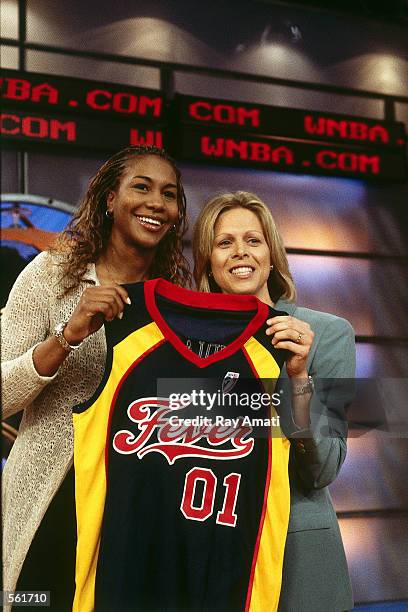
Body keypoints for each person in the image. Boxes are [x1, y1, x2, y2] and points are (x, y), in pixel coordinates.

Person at [1, 145, 190, 611]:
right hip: (53, 500)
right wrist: (68, 336)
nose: (155, 203)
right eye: (141, 187)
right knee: (33, 604)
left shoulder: (179, 302)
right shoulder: (50, 276)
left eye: (168, 194)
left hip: (138, 505)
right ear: (109, 198)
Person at [192, 191, 355, 612]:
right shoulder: (188, 346)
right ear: (208, 259)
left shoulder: (327, 334)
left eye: (253, 240)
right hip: (212, 553)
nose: (240, 252)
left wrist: (297, 376)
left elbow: (322, 470)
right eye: (224, 242)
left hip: (296, 563)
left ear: (272, 254)